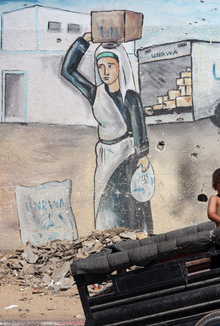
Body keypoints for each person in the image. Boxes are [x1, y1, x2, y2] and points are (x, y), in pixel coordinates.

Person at [62, 32, 153, 233]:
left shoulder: (130, 97)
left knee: (129, 202)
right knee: (105, 198)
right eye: (101, 66)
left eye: (110, 66)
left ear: (120, 66)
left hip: (127, 155)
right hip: (105, 156)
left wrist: (143, 155)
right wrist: (83, 41)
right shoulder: (96, 93)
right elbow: (68, 71)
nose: (105, 71)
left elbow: (139, 129)